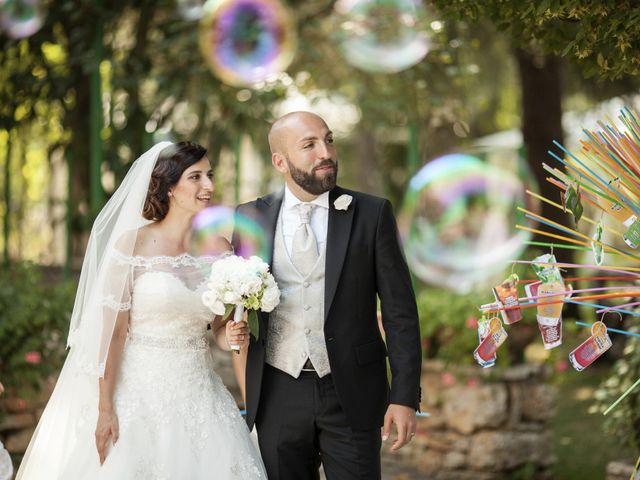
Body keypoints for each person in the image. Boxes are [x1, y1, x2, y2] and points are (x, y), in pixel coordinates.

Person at [17, 141, 267, 479]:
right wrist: (106, 408)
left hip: (200, 394)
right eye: (195, 177)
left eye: (209, 175)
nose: (208, 186)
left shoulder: (219, 249)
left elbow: (218, 330)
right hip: (137, 395)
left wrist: (232, 336)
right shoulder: (131, 245)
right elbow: (115, 334)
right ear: (169, 187)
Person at [234, 111, 422, 480]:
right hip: (277, 393)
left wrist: (403, 396)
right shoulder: (251, 217)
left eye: (329, 140)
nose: (326, 152)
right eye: (309, 145)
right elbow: (241, 304)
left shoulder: (372, 213)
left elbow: (401, 313)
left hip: (351, 391)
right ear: (280, 162)